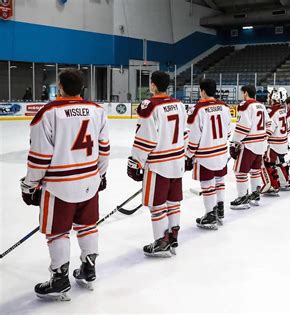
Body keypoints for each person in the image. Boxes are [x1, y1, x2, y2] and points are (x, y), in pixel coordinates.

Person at [20, 68, 109, 300]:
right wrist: (101, 175)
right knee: (87, 226)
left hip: (59, 186)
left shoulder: (48, 112)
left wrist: (30, 185)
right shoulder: (97, 111)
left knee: (57, 232)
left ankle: (60, 279)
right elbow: (104, 148)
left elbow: (39, 157)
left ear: (60, 86)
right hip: (90, 181)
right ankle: (89, 269)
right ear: (81, 88)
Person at [127, 71, 186, 257]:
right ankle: (173, 235)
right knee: (173, 202)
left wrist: (136, 162)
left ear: (152, 85)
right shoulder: (179, 104)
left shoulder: (150, 106)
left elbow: (145, 138)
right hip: (177, 161)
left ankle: (161, 241)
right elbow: (185, 133)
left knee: (157, 205)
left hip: (158, 165)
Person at [186, 79, 231, 230]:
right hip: (221, 152)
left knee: (207, 184)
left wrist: (189, 154)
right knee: (219, 180)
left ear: (203, 91)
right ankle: (220, 209)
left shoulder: (198, 109)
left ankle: (210, 215)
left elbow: (193, 136)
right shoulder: (224, 107)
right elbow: (229, 130)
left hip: (206, 155)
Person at [229, 85, 270, 209]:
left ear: (245, 93)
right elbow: (269, 124)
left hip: (249, 145)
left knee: (240, 171)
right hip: (260, 144)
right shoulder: (262, 106)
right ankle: (255, 195)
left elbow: (243, 127)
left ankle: (242, 198)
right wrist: (263, 137)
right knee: (255, 171)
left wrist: (234, 142)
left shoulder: (245, 105)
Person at [261, 87, 290, 195]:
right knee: (280, 162)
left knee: (268, 163)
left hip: (274, 143)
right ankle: (285, 182)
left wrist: (262, 138)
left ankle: (273, 185)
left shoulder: (272, 111)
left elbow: (270, 128)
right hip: (283, 142)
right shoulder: (283, 109)